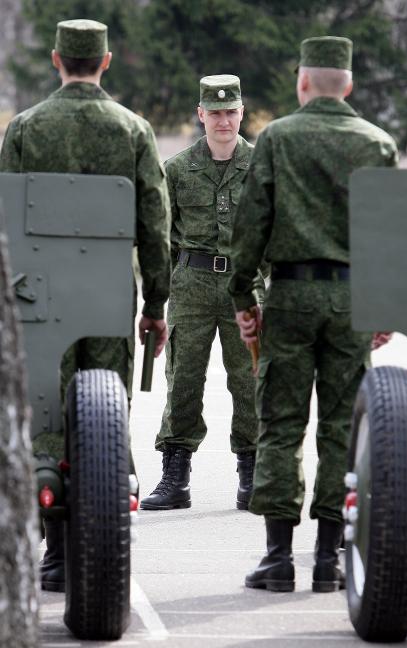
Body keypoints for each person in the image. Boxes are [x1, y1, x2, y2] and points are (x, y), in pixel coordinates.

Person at [0, 19, 171, 592]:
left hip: (36, 290)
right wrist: (155, 301)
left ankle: (53, 553)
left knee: (46, 415)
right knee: (104, 409)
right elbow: (155, 221)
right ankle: (96, 542)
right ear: (106, 61)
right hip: (106, 291)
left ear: (55, 59)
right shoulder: (134, 130)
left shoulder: (24, 127)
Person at [229, 36, 398, 592]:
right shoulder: (378, 144)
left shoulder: (277, 137)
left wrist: (243, 298)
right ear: (347, 84)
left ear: (303, 82)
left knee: (281, 424)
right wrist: (385, 304)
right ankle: (329, 559)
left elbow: (253, 222)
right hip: (352, 299)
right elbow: (389, 235)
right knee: (340, 427)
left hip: (293, 296)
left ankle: (278, 558)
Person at [140, 75, 262, 511]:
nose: (224, 120)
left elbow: (274, 233)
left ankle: (252, 475)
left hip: (244, 287)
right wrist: (157, 294)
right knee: (184, 379)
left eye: (231, 112)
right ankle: (176, 478)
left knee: (248, 379)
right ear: (201, 114)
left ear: (242, 113)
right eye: (215, 112)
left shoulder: (263, 166)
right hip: (190, 284)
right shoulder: (176, 169)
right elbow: (162, 237)